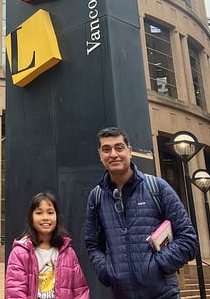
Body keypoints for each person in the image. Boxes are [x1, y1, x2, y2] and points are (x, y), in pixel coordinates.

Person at [84, 127, 198, 299]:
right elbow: (93, 244)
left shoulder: (157, 188)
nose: (113, 154)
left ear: (130, 151)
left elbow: (188, 239)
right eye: (106, 149)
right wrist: (107, 271)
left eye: (119, 147)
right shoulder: (97, 197)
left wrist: (157, 265)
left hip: (163, 295)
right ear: (100, 155)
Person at [6, 191, 90, 299]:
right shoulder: (19, 253)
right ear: (31, 217)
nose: (45, 217)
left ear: (57, 217)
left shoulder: (68, 253)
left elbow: (80, 291)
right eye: (39, 213)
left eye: (50, 212)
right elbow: (15, 293)